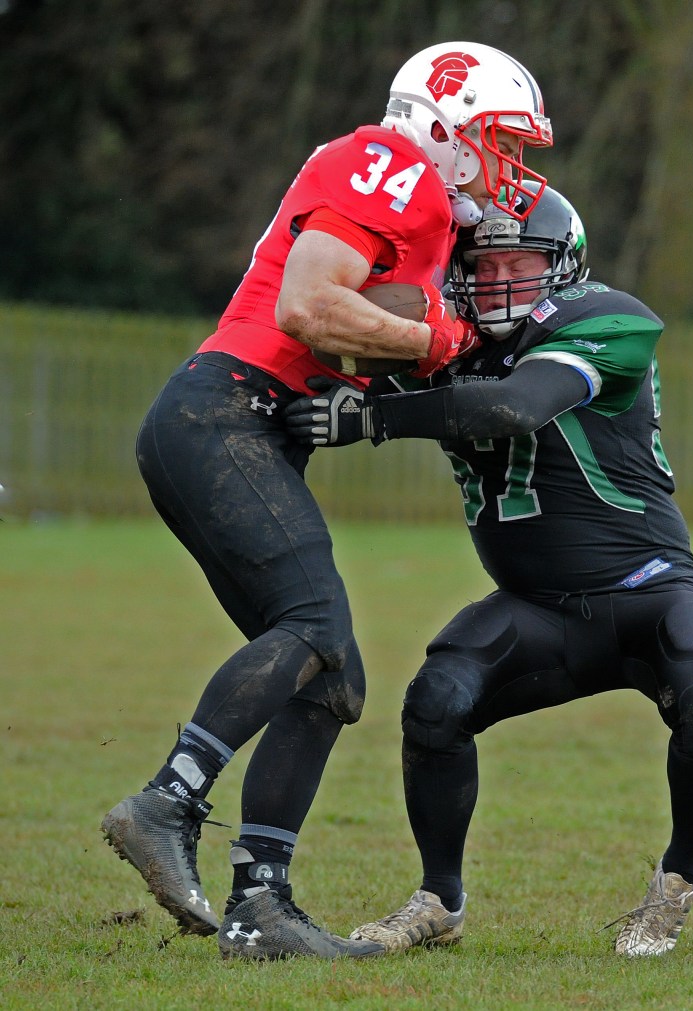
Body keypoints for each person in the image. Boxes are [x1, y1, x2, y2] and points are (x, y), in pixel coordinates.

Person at [101, 42, 553, 962]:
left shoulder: (426, 213)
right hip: (224, 412)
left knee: (331, 677)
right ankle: (167, 801)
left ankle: (259, 907)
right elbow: (307, 306)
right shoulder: (390, 164)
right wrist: (430, 340)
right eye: (500, 141)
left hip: (243, 426)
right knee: (312, 625)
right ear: (444, 126)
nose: (509, 165)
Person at [285, 183, 693, 957]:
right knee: (435, 702)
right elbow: (318, 359)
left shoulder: (606, 319)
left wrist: (373, 416)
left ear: (562, 265)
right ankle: (440, 900)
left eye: (519, 262)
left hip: (650, 590)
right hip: (537, 606)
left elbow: (512, 406)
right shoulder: (442, 340)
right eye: (484, 264)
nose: (499, 279)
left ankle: (676, 881)